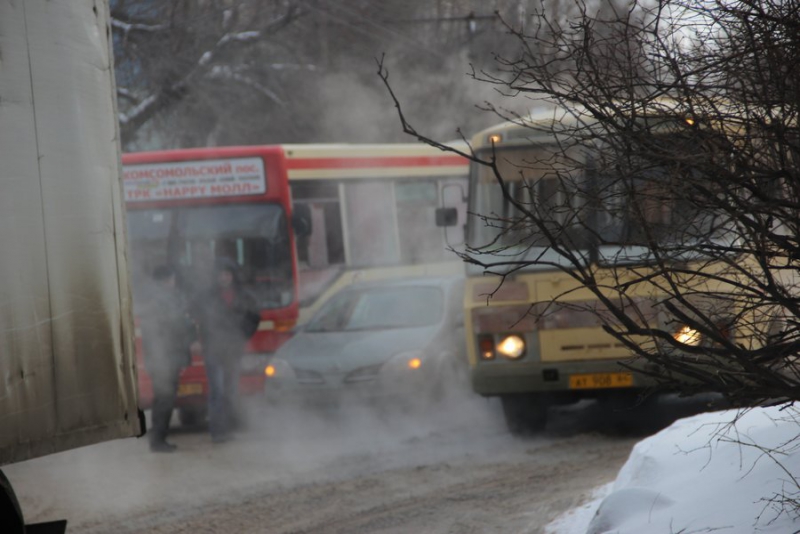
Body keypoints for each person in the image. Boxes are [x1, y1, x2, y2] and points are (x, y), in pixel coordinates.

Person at [195, 259, 259, 443]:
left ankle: (229, 429)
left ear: (232, 276)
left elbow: (254, 317)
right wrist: (201, 339)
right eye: (220, 274)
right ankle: (218, 432)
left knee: (230, 391)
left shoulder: (244, 295)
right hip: (213, 349)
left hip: (233, 349)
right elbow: (196, 318)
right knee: (217, 390)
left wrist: (243, 335)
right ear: (215, 276)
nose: (223, 277)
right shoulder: (206, 296)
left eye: (227, 274)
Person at [139, 265, 201, 453]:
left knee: (162, 398)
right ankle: (158, 440)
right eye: (172, 279)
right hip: (166, 358)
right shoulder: (165, 299)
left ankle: (158, 438)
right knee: (165, 399)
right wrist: (192, 334)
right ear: (168, 279)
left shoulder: (150, 299)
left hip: (158, 358)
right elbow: (177, 326)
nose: (174, 282)